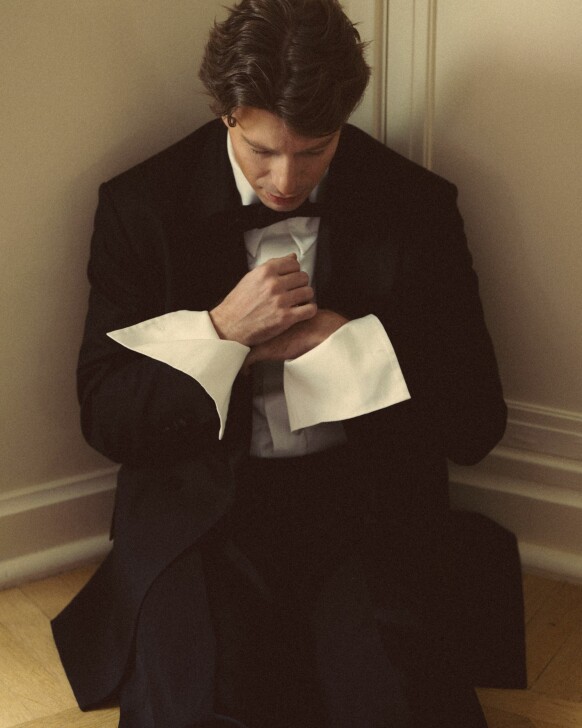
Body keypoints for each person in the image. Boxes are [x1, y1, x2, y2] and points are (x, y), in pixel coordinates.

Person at [52, 1, 527, 726]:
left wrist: (350, 345)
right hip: (201, 513)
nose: (285, 179)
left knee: (397, 704)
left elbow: (476, 425)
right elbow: (106, 417)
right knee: (199, 705)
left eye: (315, 150)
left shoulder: (416, 205)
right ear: (225, 113)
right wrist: (220, 334)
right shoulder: (140, 206)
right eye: (262, 150)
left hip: (362, 507)